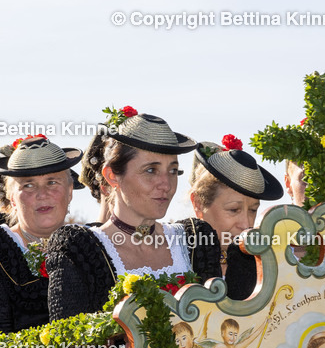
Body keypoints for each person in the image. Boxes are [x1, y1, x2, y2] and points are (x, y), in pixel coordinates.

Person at [47, 108, 221, 319]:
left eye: (173, 170)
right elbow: (70, 345)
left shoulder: (196, 242)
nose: (166, 184)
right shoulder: (79, 250)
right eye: (151, 170)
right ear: (112, 176)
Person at [0, 136, 81, 339]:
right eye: (28, 185)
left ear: (69, 192)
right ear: (12, 198)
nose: (42, 194)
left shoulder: (91, 245)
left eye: (52, 182)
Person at [189, 135, 283, 300]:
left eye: (253, 210)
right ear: (198, 203)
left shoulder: (268, 264)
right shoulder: (175, 256)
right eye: (233, 209)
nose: (246, 224)